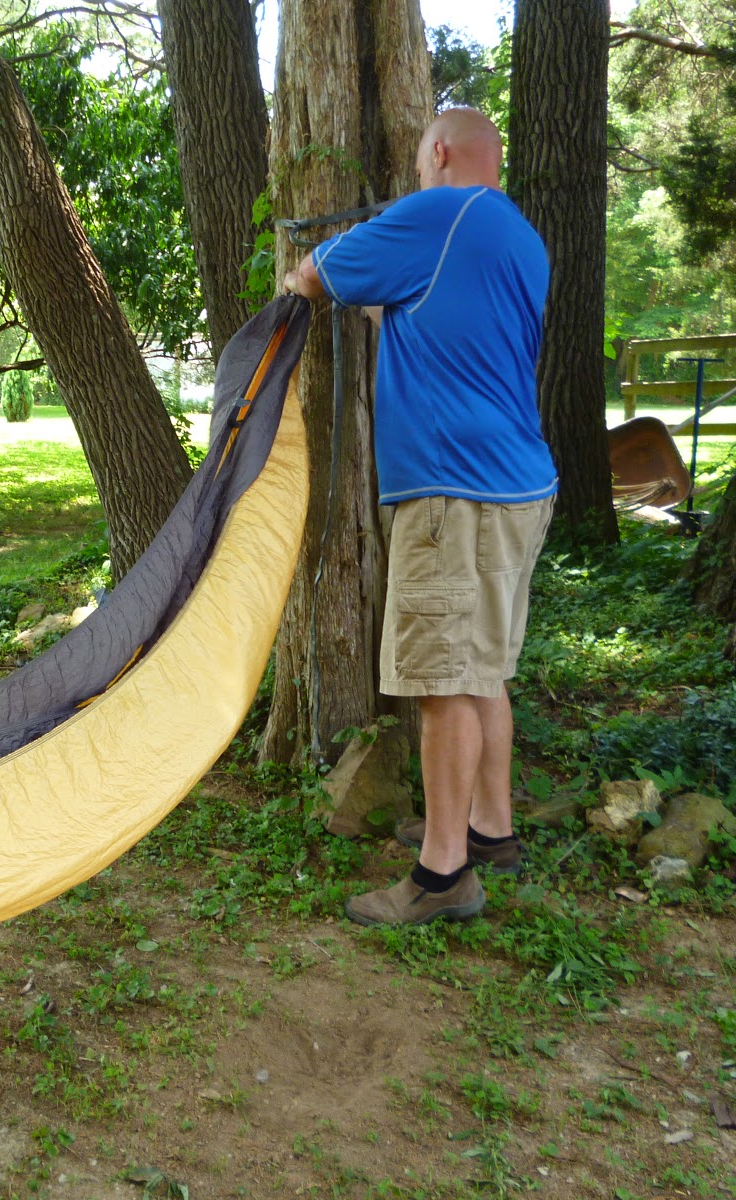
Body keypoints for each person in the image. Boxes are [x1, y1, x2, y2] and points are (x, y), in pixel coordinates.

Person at [280, 107, 557, 927]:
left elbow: (321, 273)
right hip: (516, 486)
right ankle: (489, 830)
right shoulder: (517, 238)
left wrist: (297, 279)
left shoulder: (437, 212)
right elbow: (425, 320)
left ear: (438, 152)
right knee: (483, 669)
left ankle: (443, 875)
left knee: (442, 685)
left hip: (453, 496)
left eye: (418, 160)